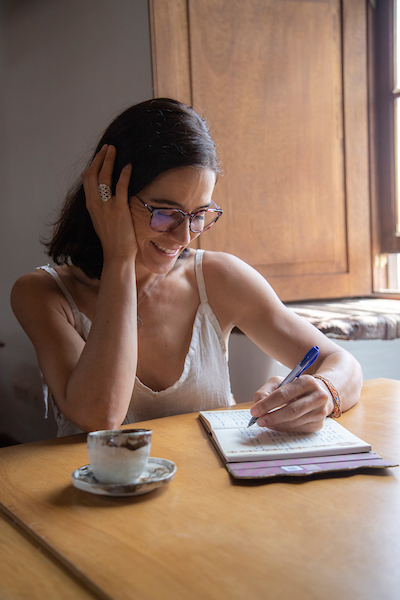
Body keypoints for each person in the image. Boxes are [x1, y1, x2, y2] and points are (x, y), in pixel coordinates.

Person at [11, 98, 363, 437]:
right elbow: (101, 417)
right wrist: (119, 258)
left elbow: (339, 360)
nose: (184, 236)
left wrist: (325, 391)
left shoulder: (219, 278)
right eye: (165, 213)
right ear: (107, 195)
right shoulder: (42, 294)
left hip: (210, 495)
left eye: (199, 216)